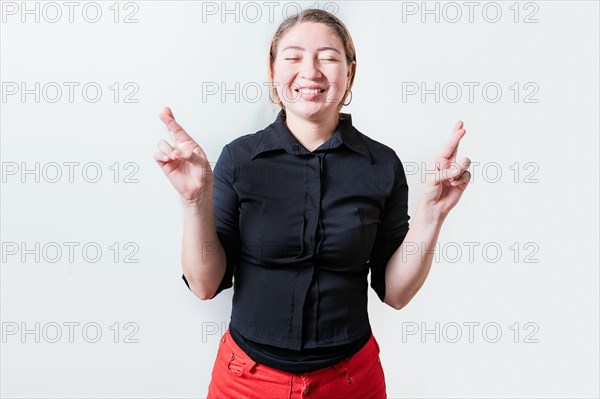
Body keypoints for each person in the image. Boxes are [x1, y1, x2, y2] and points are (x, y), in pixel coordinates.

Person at [154, 8, 471, 399]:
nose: (311, 70)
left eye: (328, 56)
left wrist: (432, 213)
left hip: (352, 381)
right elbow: (204, 285)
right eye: (293, 56)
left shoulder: (382, 165)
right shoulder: (239, 160)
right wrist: (194, 199)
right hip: (246, 382)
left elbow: (397, 293)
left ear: (350, 73)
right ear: (273, 71)